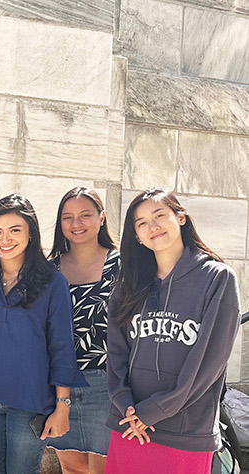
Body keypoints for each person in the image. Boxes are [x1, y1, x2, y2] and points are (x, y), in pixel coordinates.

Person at [105, 189, 241, 474]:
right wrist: (126, 405)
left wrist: (153, 411)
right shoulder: (128, 285)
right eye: (141, 223)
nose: (152, 227)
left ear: (180, 218)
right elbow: (116, 355)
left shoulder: (217, 278)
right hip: (129, 425)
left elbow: (209, 364)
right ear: (137, 237)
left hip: (185, 431)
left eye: (159, 215)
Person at [0, 194, 85, 474]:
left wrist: (63, 404)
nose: (5, 239)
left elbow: (62, 347)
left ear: (30, 234)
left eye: (15, 230)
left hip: (30, 401)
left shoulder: (52, 282)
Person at [44, 187, 119, 474]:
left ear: (102, 218)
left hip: (108, 385)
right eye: (68, 217)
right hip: (60, 384)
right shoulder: (48, 270)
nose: (76, 224)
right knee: (71, 468)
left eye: (85, 215)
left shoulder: (124, 265)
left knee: (106, 468)